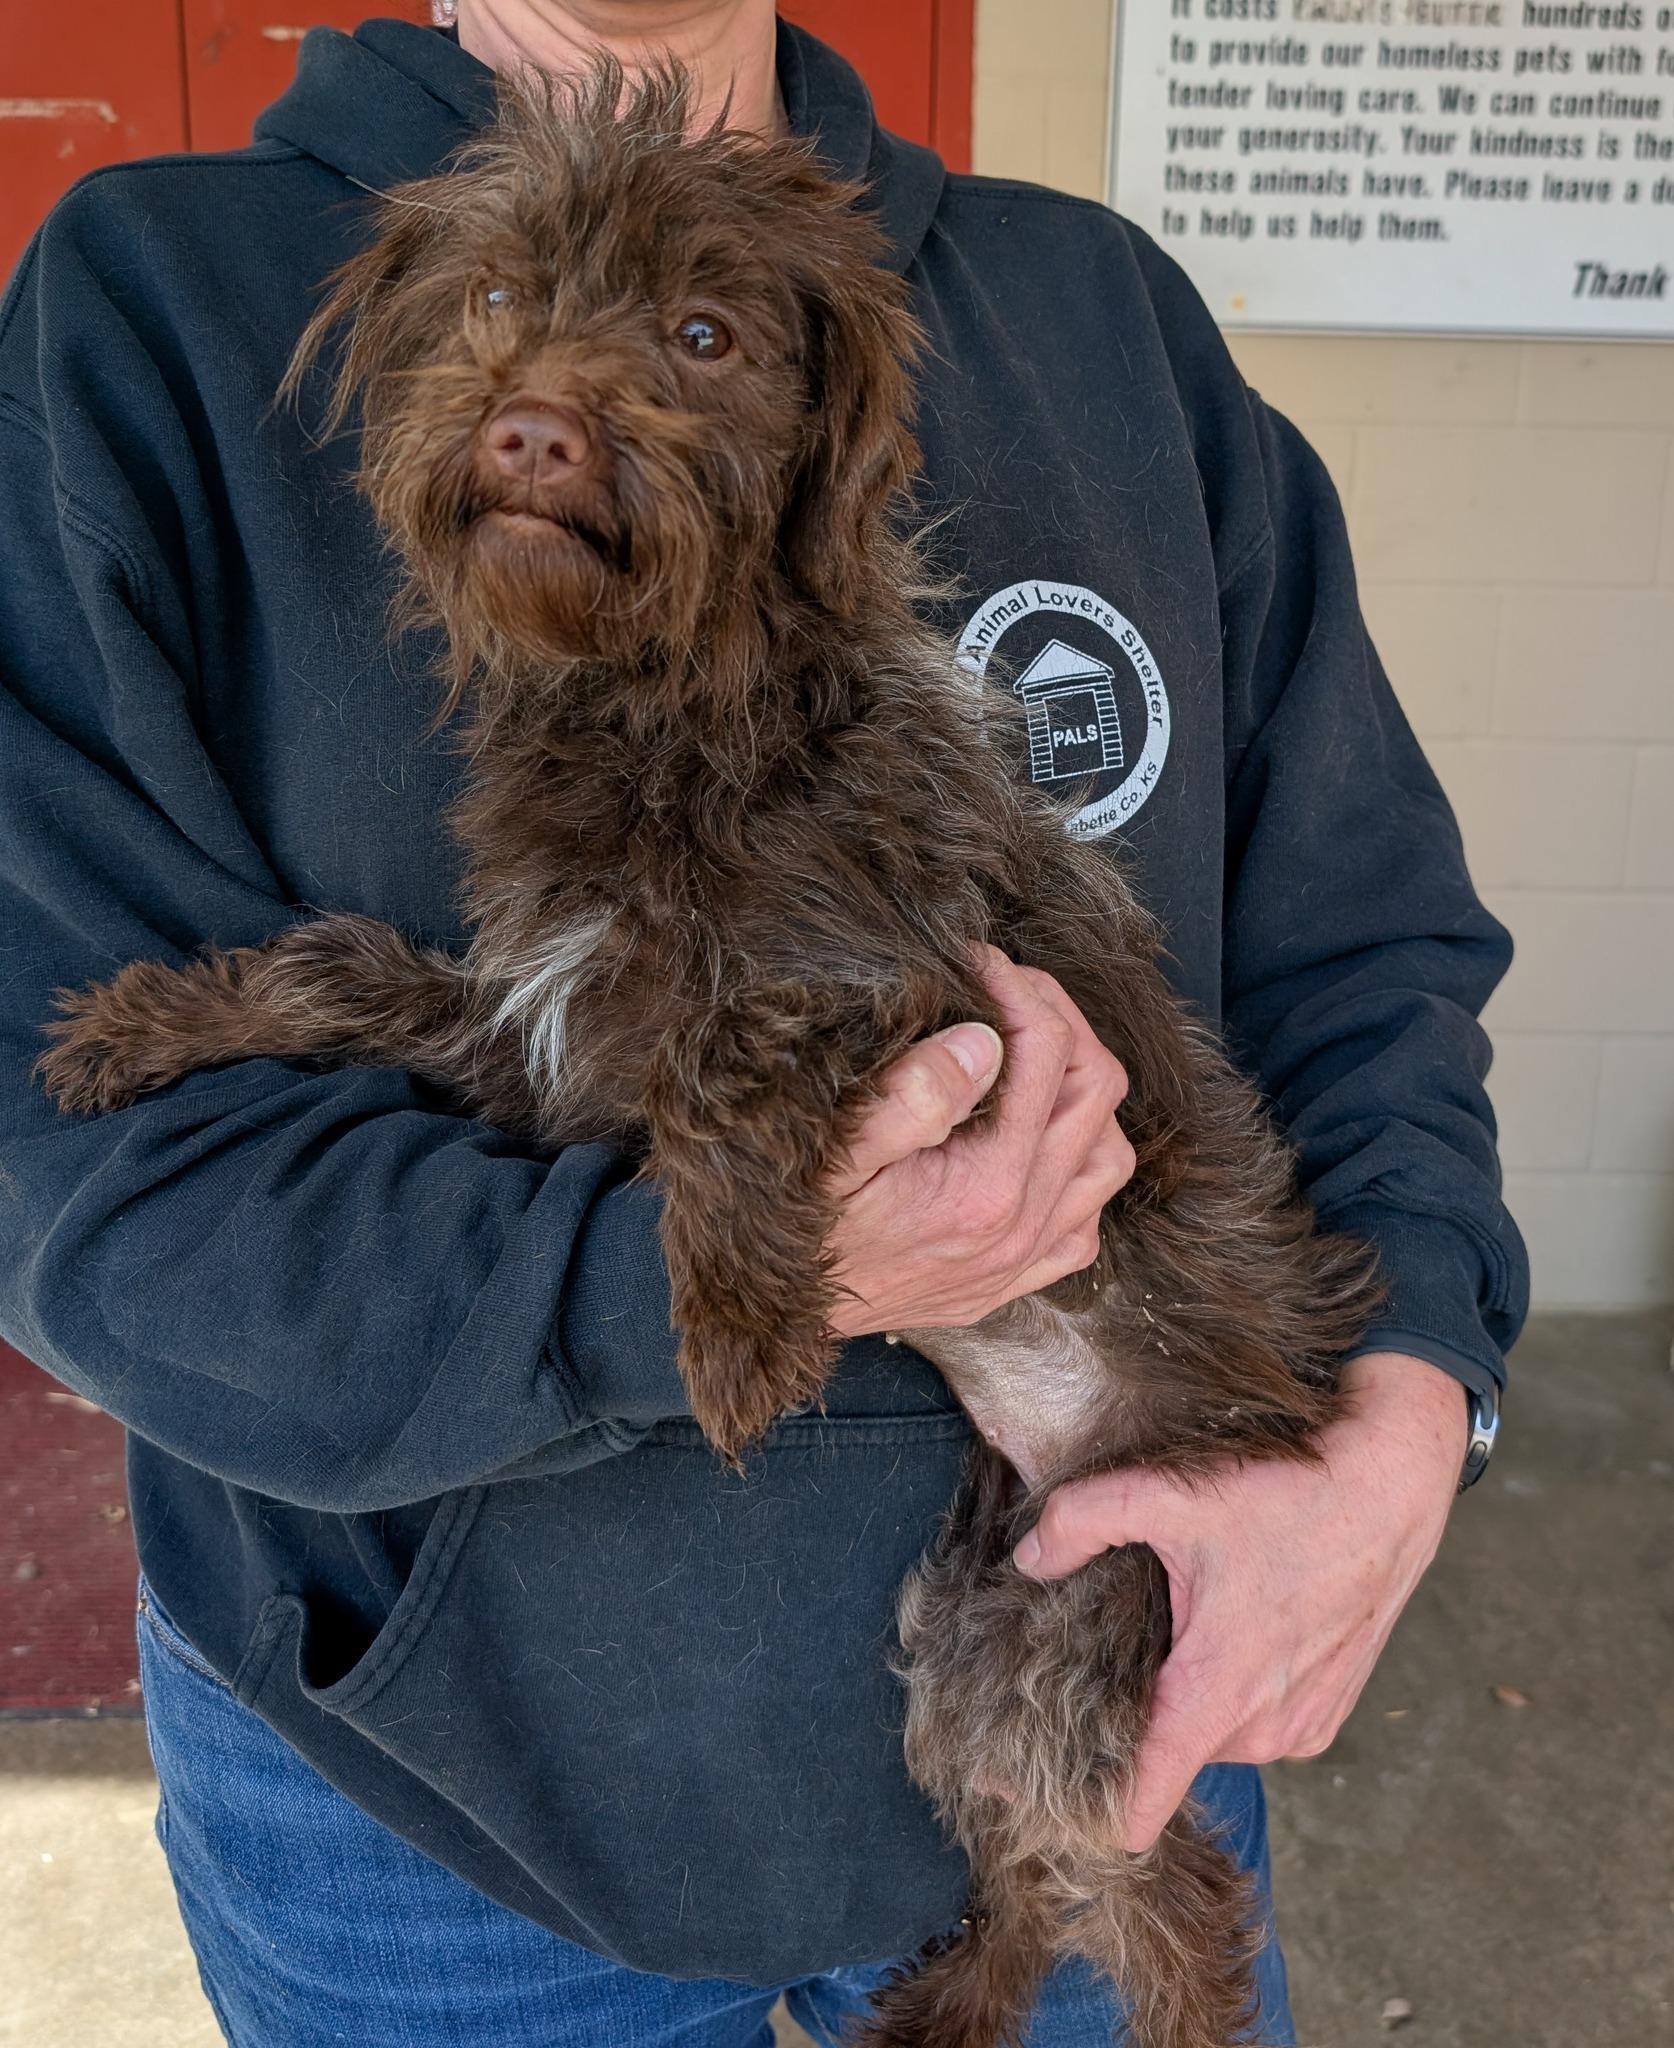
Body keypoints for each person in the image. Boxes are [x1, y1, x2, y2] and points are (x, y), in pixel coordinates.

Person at [0, 3, 1526, 2042]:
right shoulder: (144, 307)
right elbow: (76, 1170)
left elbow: (1369, 946)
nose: (560, 399)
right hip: (426, 1808)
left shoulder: (1106, 320)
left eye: (702, 344)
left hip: (1124, 1661)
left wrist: (1415, 1413)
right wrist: (681, 1282)